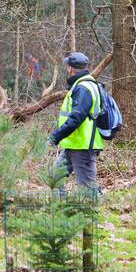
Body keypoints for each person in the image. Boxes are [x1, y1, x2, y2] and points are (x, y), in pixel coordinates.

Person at [48, 51, 102, 192]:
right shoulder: (82, 85)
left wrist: (55, 136)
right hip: (74, 144)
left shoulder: (83, 88)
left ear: (70, 68)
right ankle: (61, 211)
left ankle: (90, 214)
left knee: (86, 189)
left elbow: (76, 118)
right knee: (55, 177)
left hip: (82, 146)